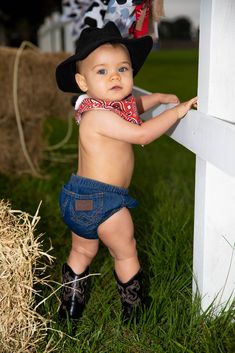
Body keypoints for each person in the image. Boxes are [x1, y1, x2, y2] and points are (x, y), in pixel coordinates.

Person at [55, 21, 197, 322]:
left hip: (77, 198)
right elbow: (142, 134)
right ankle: (135, 311)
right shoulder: (98, 117)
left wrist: (157, 98)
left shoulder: (101, 107)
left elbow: (133, 106)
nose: (115, 77)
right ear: (82, 82)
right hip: (105, 202)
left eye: (123, 69)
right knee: (126, 251)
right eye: (102, 71)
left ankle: (70, 308)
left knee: (81, 252)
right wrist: (177, 111)